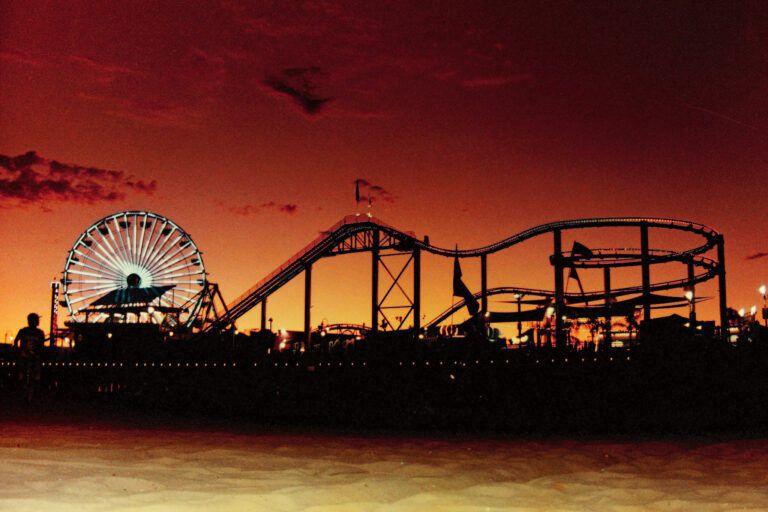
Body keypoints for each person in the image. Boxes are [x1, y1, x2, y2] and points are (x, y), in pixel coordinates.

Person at [14, 313, 46, 400]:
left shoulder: (23, 331)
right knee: (34, 370)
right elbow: (42, 345)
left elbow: (16, 341)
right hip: (31, 356)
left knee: (23, 369)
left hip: (28, 355)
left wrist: (18, 350)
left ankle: (22, 378)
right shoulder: (39, 332)